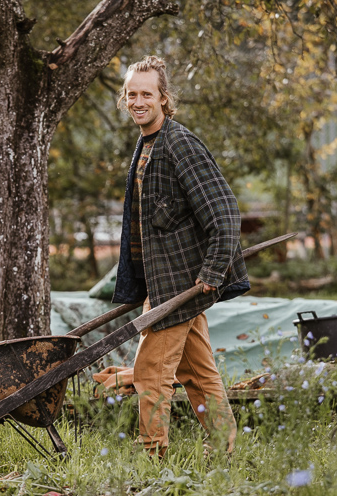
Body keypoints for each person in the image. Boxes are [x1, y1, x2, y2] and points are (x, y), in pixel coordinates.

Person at [112, 55, 250, 459]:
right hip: (166, 282)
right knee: (198, 372)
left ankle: (153, 459)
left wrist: (211, 272)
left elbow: (225, 213)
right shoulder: (145, 145)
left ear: (164, 98)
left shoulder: (179, 144)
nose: (138, 101)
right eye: (131, 94)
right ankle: (225, 452)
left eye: (146, 95)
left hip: (183, 284)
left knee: (151, 374)